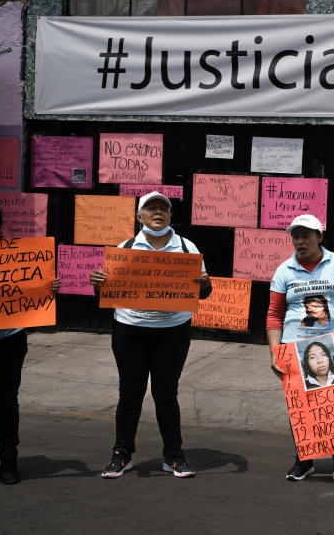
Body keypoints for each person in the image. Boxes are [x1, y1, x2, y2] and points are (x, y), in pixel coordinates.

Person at [88, 191, 212, 479]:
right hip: (130, 330)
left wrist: (205, 284)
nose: (158, 212)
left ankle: (174, 456)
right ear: (139, 216)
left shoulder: (186, 249)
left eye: (163, 209)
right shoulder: (126, 248)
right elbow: (107, 292)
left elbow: (203, 293)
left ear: (170, 216)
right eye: (151, 208)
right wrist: (98, 284)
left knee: (166, 394)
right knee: (129, 393)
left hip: (172, 333)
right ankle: (121, 454)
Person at [267, 214, 334, 487]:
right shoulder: (284, 271)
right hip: (293, 347)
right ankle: (304, 460)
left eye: (306, 236)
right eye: (295, 236)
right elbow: (274, 315)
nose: (300, 241)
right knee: (301, 408)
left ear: (320, 237)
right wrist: (275, 352)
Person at [0, 201, 59, 484]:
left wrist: (48, 287)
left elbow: (31, 289)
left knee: (7, 401)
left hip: (8, 339)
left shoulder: (18, 257)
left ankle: (8, 460)